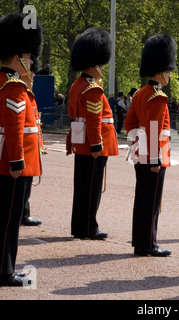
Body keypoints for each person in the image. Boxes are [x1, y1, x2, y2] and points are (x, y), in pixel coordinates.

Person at [124, 33, 176, 257]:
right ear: (161, 71)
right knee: (151, 201)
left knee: (143, 199)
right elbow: (155, 129)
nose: (170, 74)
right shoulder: (157, 96)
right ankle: (148, 243)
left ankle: (140, 241)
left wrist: (140, 146)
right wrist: (154, 158)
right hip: (154, 156)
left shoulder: (139, 94)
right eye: (168, 70)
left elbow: (129, 124)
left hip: (140, 153)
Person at [0, 11, 42, 287]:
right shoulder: (14, 88)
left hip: (11, 163)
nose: (31, 63)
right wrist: (17, 163)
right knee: (8, 221)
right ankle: (5, 271)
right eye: (28, 58)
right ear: (17, 58)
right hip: (14, 166)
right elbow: (15, 130)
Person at [67, 28, 119, 240]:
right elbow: (94, 120)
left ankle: (79, 226)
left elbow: (74, 115)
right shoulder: (92, 89)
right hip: (94, 144)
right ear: (93, 64)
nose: (102, 69)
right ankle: (89, 227)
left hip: (81, 142)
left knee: (81, 186)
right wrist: (97, 144)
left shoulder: (76, 86)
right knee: (91, 188)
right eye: (100, 64)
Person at [21, 56, 45, 227]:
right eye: (32, 72)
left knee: (27, 183)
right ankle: (22, 213)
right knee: (21, 183)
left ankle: (24, 212)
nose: (34, 75)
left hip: (30, 145)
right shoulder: (20, 93)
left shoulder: (29, 95)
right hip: (22, 145)